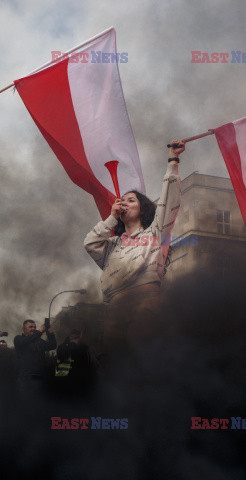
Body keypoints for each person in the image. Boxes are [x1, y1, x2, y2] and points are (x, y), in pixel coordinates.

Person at [84, 140, 185, 344]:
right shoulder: (112, 244)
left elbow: (169, 201)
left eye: (131, 200)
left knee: (144, 362)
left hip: (145, 303)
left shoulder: (156, 232)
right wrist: (111, 218)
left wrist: (173, 161)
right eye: (122, 200)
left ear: (143, 209)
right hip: (113, 309)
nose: (125, 203)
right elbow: (90, 244)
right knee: (118, 365)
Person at [14, 319, 57, 393]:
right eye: (30, 327)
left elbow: (52, 346)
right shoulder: (18, 338)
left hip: (38, 377)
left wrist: (50, 333)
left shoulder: (39, 341)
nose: (33, 329)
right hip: (25, 377)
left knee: (38, 401)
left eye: (35, 327)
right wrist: (39, 331)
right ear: (24, 329)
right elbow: (25, 342)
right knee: (24, 401)